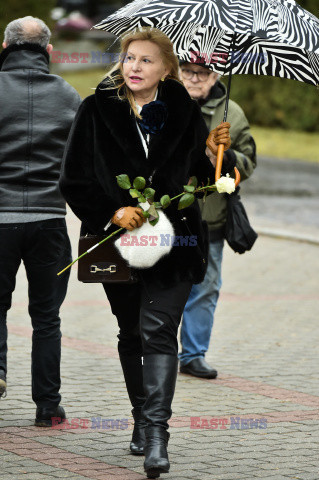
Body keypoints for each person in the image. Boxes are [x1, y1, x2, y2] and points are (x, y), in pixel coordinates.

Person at [60, 27, 235, 478]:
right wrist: (112, 211)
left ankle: (157, 434)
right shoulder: (96, 109)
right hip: (118, 245)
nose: (135, 67)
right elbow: (74, 179)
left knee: (159, 333)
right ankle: (140, 416)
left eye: (146, 61)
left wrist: (220, 156)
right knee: (131, 333)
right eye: (130, 59)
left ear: (166, 70)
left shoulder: (184, 111)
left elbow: (208, 179)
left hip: (176, 245)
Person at [0, 17, 81, 425]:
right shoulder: (69, 96)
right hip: (50, 219)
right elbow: (84, 163)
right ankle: (48, 407)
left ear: (4, 46)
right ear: (49, 51)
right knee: (46, 317)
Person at [179, 60, 257, 379]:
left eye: (202, 73)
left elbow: (249, 161)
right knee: (161, 283)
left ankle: (193, 354)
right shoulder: (162, 103)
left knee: (205, 287)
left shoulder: (232, 112)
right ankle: (154, 349)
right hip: (166, 217)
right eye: (187, 71)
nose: (194, 78)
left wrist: (228, 156)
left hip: (209, 218)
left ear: (215, 76)